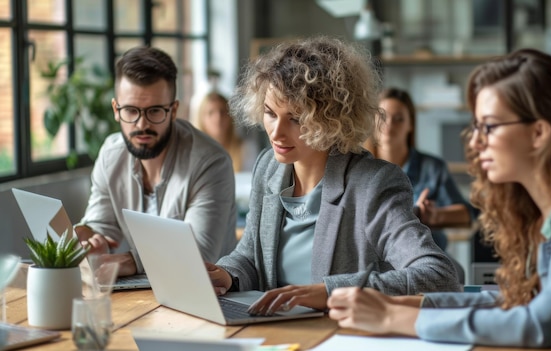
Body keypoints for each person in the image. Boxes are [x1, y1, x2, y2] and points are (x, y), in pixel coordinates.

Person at [327, 48, 551, 350]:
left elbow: (538, 323)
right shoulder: (547, 212)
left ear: (539, 133)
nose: (474, 141)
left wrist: (391, 317)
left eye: (490, 127)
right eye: (476, 127)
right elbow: (516, 301)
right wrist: (415, 304)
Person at [206, 36, 461, 315]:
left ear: (331, 118)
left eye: (296, 118)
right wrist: (228, 274)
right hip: (274, 336)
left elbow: (439, 276)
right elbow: (251, 256)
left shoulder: (372, 184)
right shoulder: (269, 167)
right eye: (270, 113)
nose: (276, 133)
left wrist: (330, 292)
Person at [74, 46, 238, 276]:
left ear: (173, 110)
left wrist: (132, 262)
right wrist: (85, 238)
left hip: (209, 294)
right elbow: (101, 224)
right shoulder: (111, 154)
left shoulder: (210, 162)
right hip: (143, 294)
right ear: (116, 109)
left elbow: (199, 253)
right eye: (131, 111)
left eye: (154, 111)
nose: (141, 125)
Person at [366, 88, 476, 250]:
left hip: (425, 256)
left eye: (399, 119)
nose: (389, 124)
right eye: (382, 117)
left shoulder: (431, 168)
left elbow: (467, 214)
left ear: (410, 125)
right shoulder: (361, 169)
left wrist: (435, 215)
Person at [192, 91, 258, 173]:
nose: (218, 118)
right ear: (201, 119)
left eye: (222, 111)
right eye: (211, 112)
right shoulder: (193, 153)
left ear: (230, 116)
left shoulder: (247, 149)